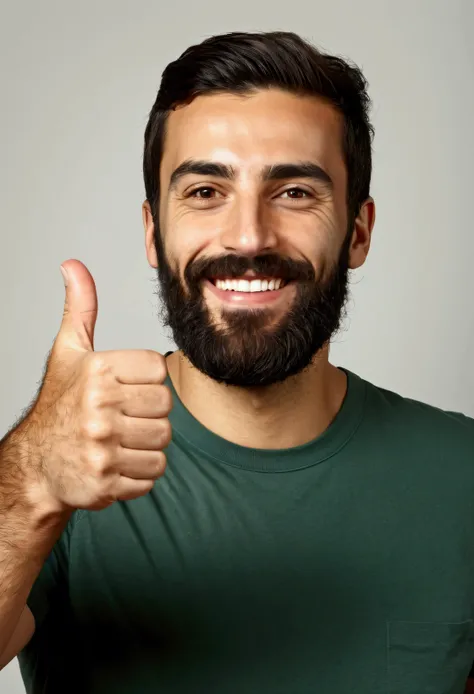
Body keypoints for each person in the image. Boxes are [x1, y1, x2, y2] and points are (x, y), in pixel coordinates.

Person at [0, 29, 473, 694]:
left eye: (295, 193)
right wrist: (33, 481)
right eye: (204, 192)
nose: (249, 236)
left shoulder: (462, 474)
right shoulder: (62, 475)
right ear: (152, 232)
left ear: (358, 231)